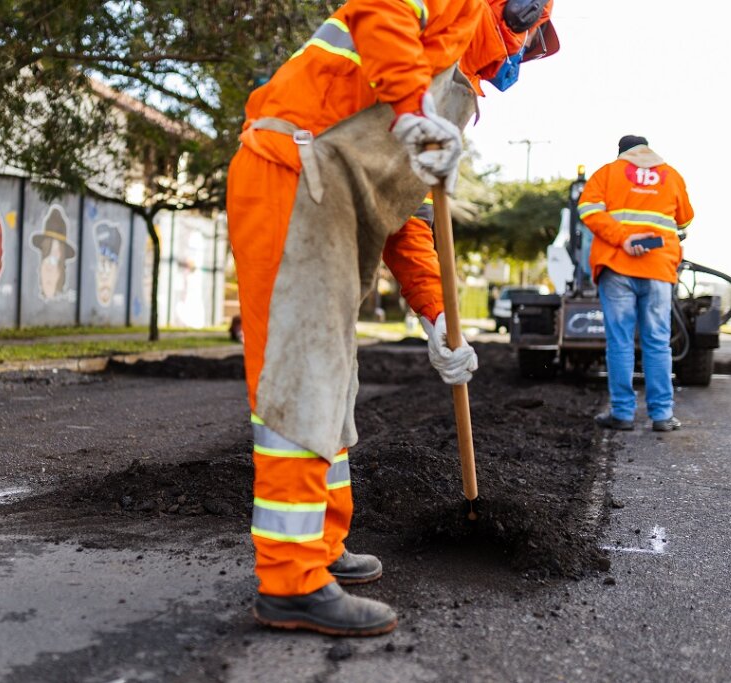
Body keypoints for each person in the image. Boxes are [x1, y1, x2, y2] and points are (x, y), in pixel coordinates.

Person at [226, 0, 556, 637]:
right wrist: (412, 112)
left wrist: (437, 317)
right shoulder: (443, 33)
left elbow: (404, 208)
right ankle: (291, 581)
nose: (524, 54)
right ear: (517, 13)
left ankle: (322, 545)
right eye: (531, 34)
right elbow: (378, 8)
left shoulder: (450, 82)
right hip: (293, 171)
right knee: (301, 379)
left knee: (334, 382)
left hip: (332, 189)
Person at [578, 135, 694, 432]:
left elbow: (588, 210)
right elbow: (685, 221)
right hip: (658, 268)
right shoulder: (672, 176)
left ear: (622, 153)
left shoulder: (607, 173)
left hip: (617, 267)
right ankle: (662, 416)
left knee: (620, 341)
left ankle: (623, 414)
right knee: (657, 342)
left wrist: (624, 238)